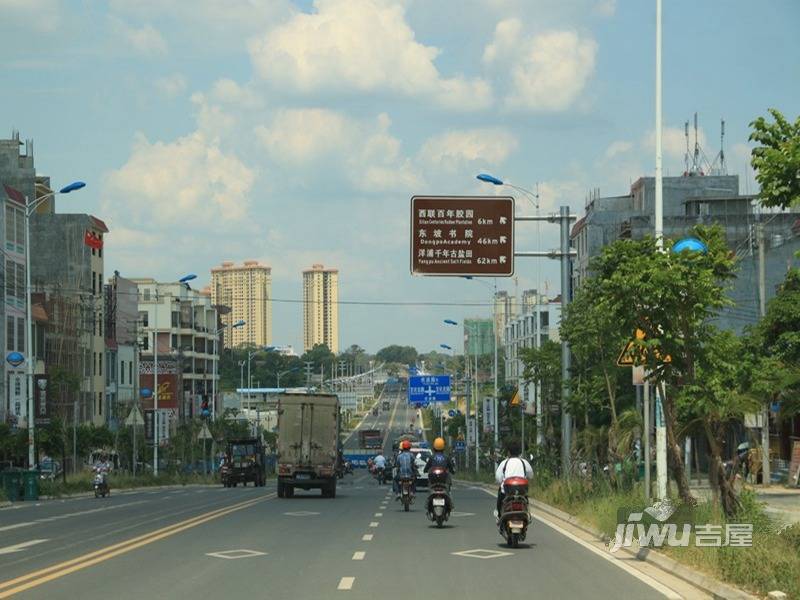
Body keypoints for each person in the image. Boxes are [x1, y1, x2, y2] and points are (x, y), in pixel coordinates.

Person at [494, 441, 533, 521]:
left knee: (500, 497)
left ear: (508, 452)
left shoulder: (504, 463)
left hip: (507, 492)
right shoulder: (524, 462)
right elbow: (531, 475)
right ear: (519, 452)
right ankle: (528, 515)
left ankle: (499, 515)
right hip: (522, 492)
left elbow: (498, 478)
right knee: (526, 501)